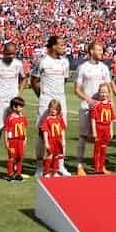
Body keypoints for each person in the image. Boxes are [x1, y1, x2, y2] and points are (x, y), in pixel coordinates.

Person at [32, 35, 71, 177]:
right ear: (54, 46)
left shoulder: (65, 62)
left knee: (61, 133)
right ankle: (40, 167)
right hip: (46, 100)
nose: (64, 47)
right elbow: (34, 80)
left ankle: (60, 166)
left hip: (61, 99)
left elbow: (64, 80)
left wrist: (57, 97)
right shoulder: (43, 61)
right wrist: (43, 97)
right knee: (43, 134)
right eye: (61, 45)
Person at [0, 42, 27, 178]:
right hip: (0, 104)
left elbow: (24, 78)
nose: (11, 56)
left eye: (13, 53)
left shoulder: (18, 64)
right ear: (3, 52)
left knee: (16, 137)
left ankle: (16, 169)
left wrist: (19, 94)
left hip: (14, 105)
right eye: (8, 53)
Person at [74, 41, 114, 174]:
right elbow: (77, 89)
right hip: (87, 107)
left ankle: (101, 165)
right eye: (99, 50)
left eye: (102, 50)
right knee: (83, 136)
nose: (101, 52)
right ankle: (79, 165)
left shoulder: (104, 67)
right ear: (91, 51)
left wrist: (111, 103)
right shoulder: (83, 67)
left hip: (103, 110)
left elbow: (109, 88)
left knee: (103, 139)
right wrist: (89, 100)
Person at [91, 83, 115, 174]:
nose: (103, 94)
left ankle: (101, 167)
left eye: (105, 92)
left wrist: (111, 131)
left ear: (108, 93)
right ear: (98, 93)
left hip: (107, 129)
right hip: (99, 128)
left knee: (104, 149)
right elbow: (93, 119)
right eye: (101, 92)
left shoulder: (109, 105)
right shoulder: (97, 105)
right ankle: (96, 168)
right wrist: (94, 131)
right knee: (97, 148)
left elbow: (111, 119)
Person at [40, 98, 67, 177]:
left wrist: (63, 140)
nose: (53, 110)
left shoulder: (59, 119)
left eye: (55, 109)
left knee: (57, 156)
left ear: (58, 110)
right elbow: (45, 131)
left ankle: (55, 171)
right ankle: (46, 172)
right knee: (50, 156)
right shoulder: (47, 120)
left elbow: (62, 130)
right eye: (52, 108)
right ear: (49, 109)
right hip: (51, 140)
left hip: (58, 140)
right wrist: (46, 142)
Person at [3, 97, 28, 182]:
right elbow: (6, 131)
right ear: (14, 107)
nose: (22, 108)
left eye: (22, 106)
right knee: (11, 157)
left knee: (20, 157)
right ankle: (10, 174)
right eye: (20, 106)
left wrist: (25, 138)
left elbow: (24, 128)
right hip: (12, 141)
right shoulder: (10, 118)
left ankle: (18, 173)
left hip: (20, 140)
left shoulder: (23, 117)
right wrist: (6, 142)